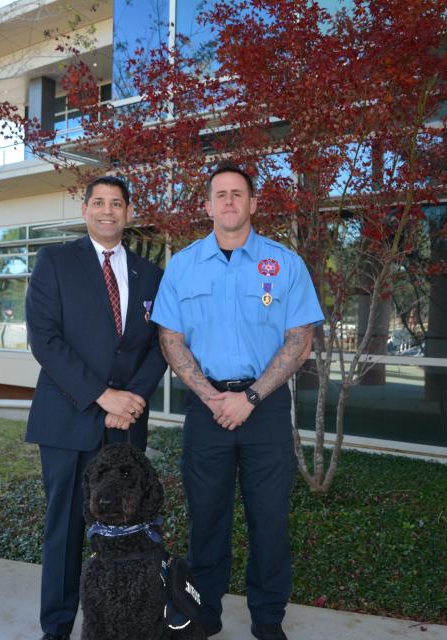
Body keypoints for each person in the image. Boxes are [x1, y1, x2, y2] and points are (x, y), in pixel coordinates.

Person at [152, 161, 324, 640]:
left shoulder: (284, 263)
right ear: (206, 206)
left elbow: (300, 339)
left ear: (253, 203)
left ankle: (268, 621)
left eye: (237, 194)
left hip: (264, 408)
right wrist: (212, 397)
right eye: (220, 194)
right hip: (206, 410)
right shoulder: (183, 265)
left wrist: (248, 397)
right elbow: (170, 338)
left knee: (269, 521)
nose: (228, 202)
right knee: (207, 520)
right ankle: (205, 618)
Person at [25, 175, 167, 640]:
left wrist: (131, 401)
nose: (108, 211)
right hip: (67, 420)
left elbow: (159, 348)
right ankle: (59, 629)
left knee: (129, 531)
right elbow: (45, 340)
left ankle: (125, 625)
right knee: (65, 531)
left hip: (126, 424)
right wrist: (101, 396)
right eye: (99, 202)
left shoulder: (151, 275)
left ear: (129, 213)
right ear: (85, 209)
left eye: (118, 203)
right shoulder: (55, 261)